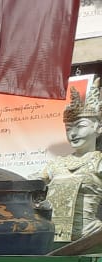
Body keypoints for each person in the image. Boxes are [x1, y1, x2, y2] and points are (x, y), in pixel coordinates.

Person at [38, 79, 102, 242]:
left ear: (98, 128)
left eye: (80, 126)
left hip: (89, 239)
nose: (73, 134)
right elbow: (31, 189)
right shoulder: (56, 164)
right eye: (68, 129)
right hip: (50, 239)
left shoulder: (99, 161)